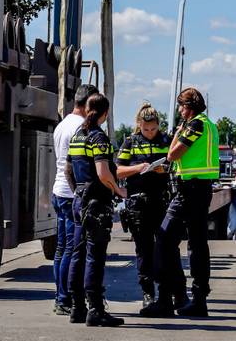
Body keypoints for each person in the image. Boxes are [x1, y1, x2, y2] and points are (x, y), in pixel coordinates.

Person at [140, 87, 219, 318]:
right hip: (200, 189)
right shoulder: (209, 124)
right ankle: (198, 298)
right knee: (196, 243)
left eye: (181, 106)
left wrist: (178, 130)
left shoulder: (195, 124)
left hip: (190, 190)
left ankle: (165, 298)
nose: (179, 111)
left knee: (164, 240)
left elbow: (173, 153)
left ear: (188, 106)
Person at [65, 93, 125, 327]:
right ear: (105, 113)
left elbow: (68, 170)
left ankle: (77, 307)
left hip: (79, 201)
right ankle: (96, 309)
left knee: (77, 254)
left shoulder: (77, 136)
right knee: (95, 257)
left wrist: (79, 192)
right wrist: (119, 191)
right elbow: (103, 173)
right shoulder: (98, 137)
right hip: (96, 204)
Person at [114, 102, 171, 309]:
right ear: (139, 125)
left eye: (153, 129)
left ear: (159, 125)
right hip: (137, 202)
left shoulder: (166, 140)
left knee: (165, 248)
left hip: (161, 201)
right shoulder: (130, 142)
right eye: (146, 129)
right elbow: (118, 171)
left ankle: (165, 290)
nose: (149, 133)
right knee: (144, 250)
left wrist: (163, 170)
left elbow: (175, 166)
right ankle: (148, 293)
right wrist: (138, 168)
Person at [50, 83, 97, 316]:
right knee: (72, 248)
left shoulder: (62, 125)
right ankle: (65, 297)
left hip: (59, 191)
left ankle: (60, 296)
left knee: (62, 248)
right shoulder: (82, 127)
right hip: (72, 194)